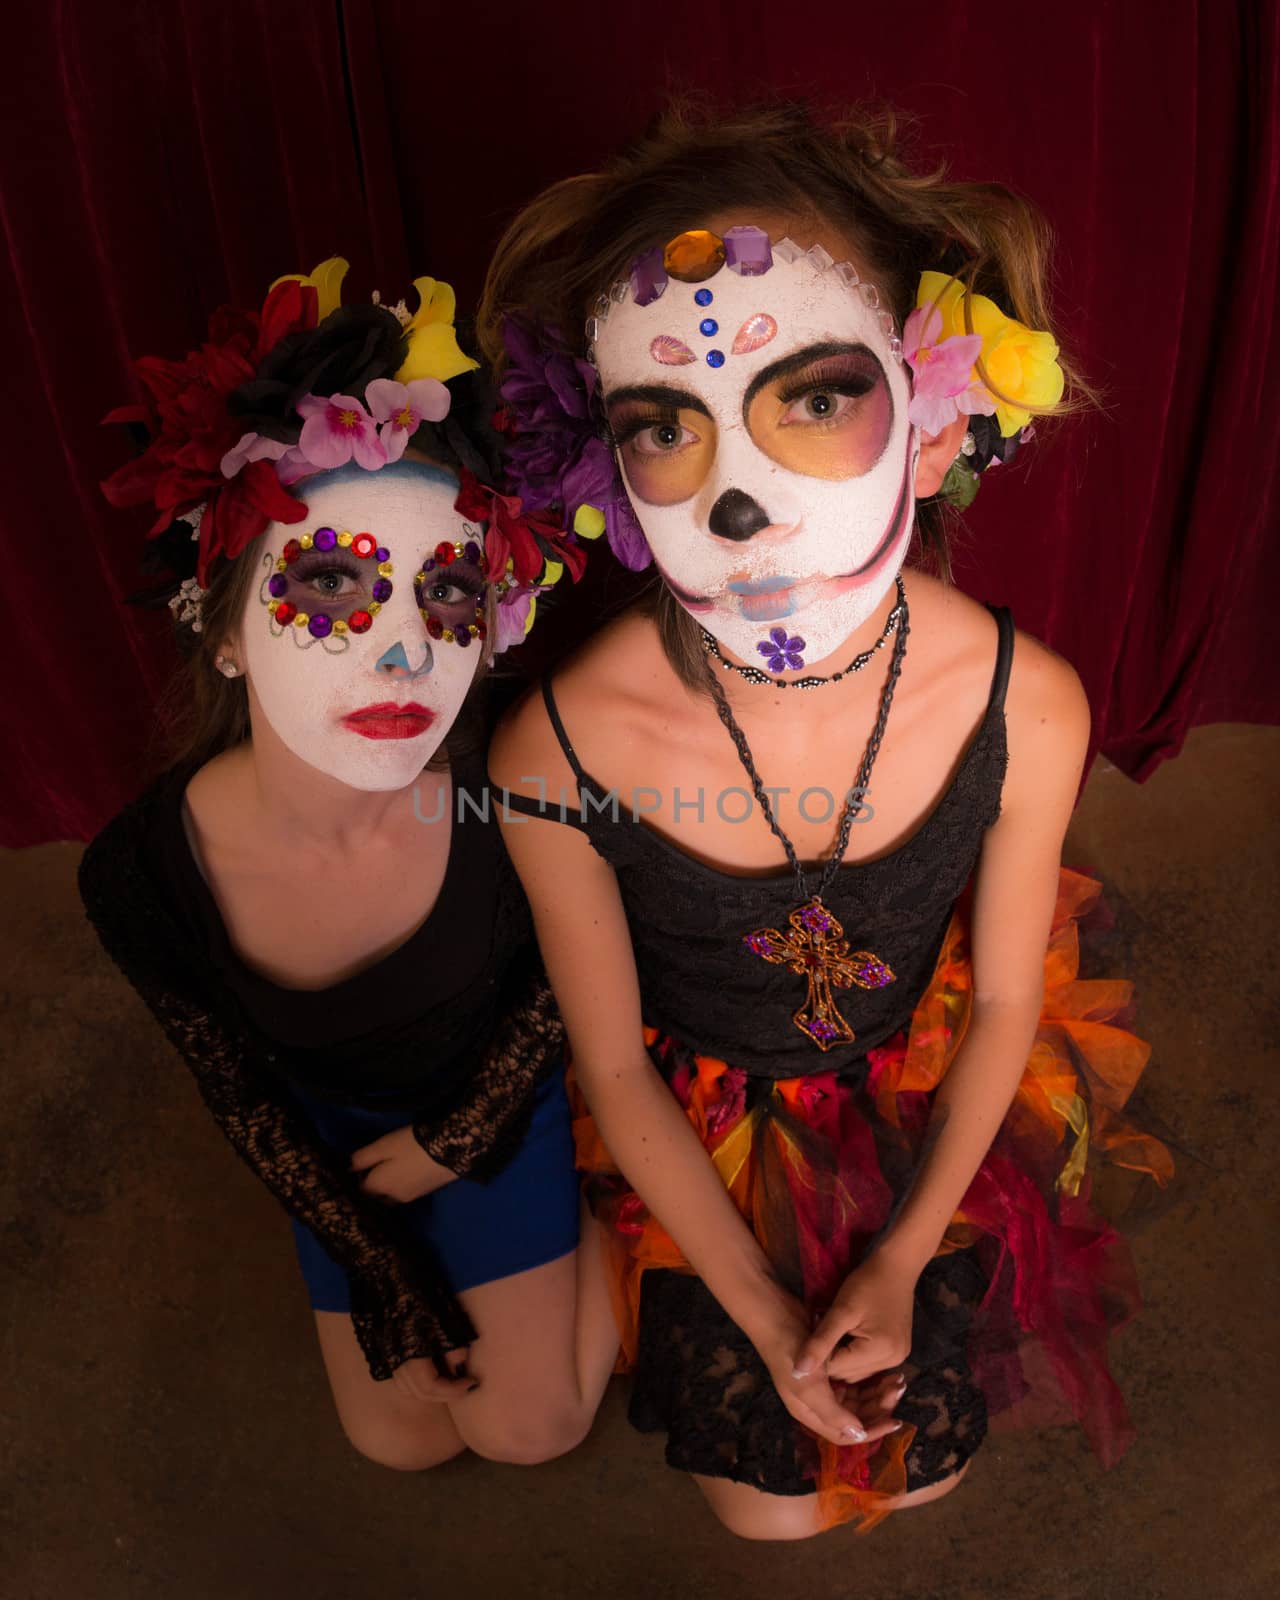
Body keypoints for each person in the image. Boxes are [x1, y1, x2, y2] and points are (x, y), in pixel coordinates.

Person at [480, 102, 1172, 1538]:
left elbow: (997, 1012)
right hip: (698, 1114)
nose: (740, 503)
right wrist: (755, 1297)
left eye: (812, 396)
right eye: (665, 425)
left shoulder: (1025, 705)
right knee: (767, 1510)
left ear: (930, 415)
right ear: (608, 469)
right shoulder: (555, 748)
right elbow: (608, 1058)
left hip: (919, 1082)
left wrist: (905, 1255)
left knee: (930, 1456)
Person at [78, 257, 618, 1472]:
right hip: (334, 1146)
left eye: (445, 600)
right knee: (396, 1441)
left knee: (528, 1427)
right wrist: (376, 1261)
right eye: (332, 584)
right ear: (220, 634)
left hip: (499, 1102)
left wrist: (460, 1136)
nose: (403, 662)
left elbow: (559, 992)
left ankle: (604, 1224)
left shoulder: (510, 780)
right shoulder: (140, 872)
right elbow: (238, 1090)